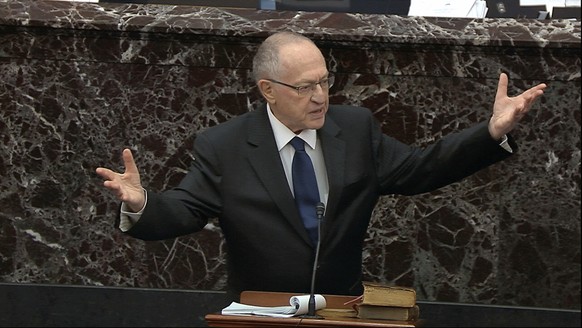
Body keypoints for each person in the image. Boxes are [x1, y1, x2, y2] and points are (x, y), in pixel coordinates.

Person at [96, 31, 546, 301]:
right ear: (267, 90)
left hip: (341, 309)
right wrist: (141, 204)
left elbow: (422, 168)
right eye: (305, 87)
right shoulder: (225, 145)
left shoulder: (354, 129)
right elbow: (184, 209)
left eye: (325, 82)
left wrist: (490, 132)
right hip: (260, 312)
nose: (320, 97)